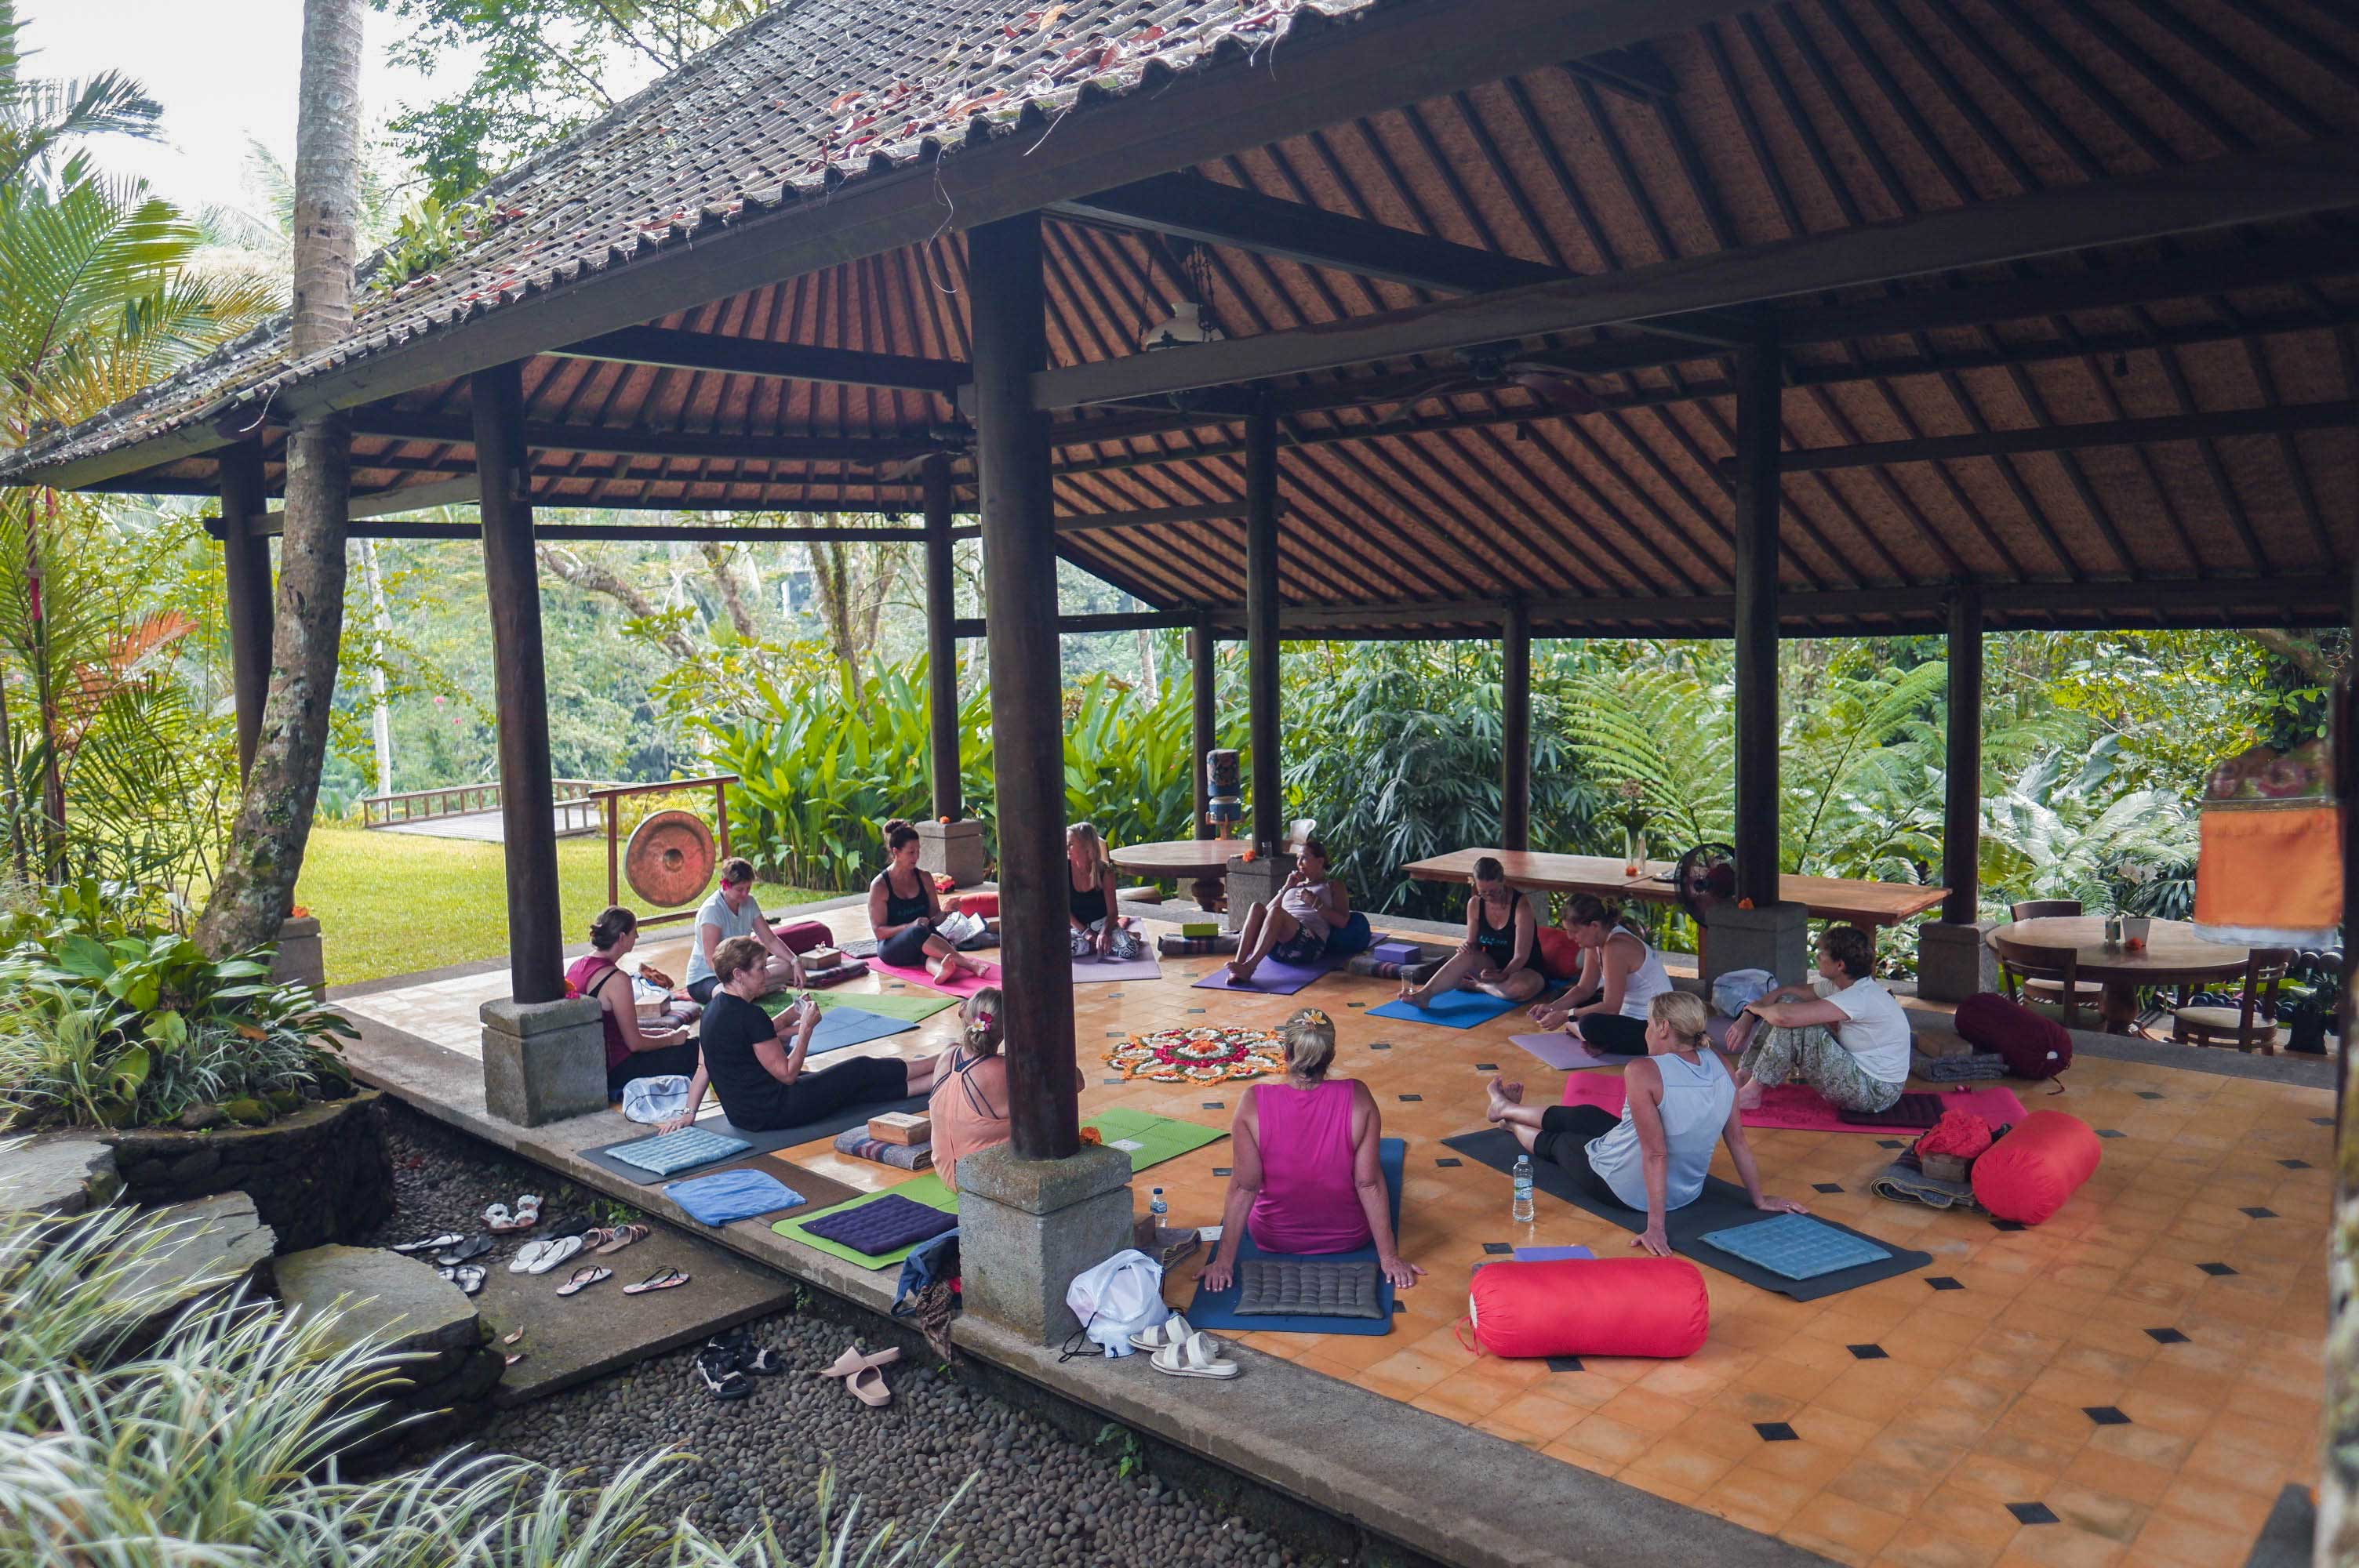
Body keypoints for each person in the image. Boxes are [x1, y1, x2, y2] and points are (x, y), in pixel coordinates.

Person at [1485, 991, 1806, 1257]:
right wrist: (1759, 1199)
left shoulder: (1643, 1071)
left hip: (1622, 1188)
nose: (1646, 1031)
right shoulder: (1720, 1062)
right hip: (1686, 1192)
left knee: (1561, 1143)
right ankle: (1507, 1108)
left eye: (1649, 1024)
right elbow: (1737, 1139)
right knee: (1585, 1116)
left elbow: (1656, 1154)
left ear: (1663, 1027)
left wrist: (1656, 1228)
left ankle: (1509, 1120)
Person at [1199, 1008, 1421, 1292]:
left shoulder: (1253, 1101)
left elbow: (1245, 1187)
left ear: (1286, 1053)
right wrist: (1389, 1258)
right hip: (1349, 1237)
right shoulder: (1359, 1096)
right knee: (1375, 1169)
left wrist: (1223, 1262)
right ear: (1330, 1055)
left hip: (1272, 1238)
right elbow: (1368, 1183)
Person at [660, 936, 951, 1134]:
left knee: (856, 1091)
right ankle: (945, 1060)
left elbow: (705, 1065)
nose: (767, 975)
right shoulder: (750, 1015)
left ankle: (939, 1077)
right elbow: (787, 1074)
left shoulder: (712, 1010)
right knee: (860, 1069)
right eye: (761, 969)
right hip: (777, 1110)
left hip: (744, 1115)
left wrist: (689, 1112)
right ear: (738, 974)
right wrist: (807, 1028)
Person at [1725, 924, 1910, 1115]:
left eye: (1822, 954)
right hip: (1865, 1079)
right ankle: (1744, 1075)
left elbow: (1785, 1017)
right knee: (1789, 1005)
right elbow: (1785, 992)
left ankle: (1752, 1092)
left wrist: (1755, 1009)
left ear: (1840, 965)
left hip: (1875, 1092)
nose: (1817, 958)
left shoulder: (1859, 996)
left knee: (1797, 1025)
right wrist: (1748, 1015)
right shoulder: (1842, 986)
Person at [569, 906, 702, 1098]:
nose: (637, 936)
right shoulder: (616, 979)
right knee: (699, 1049)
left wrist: (660, 1033)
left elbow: (618, 1029)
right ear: (622, 937)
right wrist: (672, 1040)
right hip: (619, 1069)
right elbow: (635, 1043)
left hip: (594, 1063)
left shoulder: (577, 966)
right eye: (634, 931)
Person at [1525, 894, 1674, 1054]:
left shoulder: (1616, 947)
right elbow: (1584, 989)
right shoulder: (1595, 943)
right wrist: (1552, 1008)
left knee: (1589, 1024)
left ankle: (1590, 1037)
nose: (1570, 937)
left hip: (1655, 1027)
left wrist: (1566, 1015)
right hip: (1624, 1013)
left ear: (1594, 926)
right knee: (1559, 997)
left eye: (1574, 931)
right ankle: (1594, 1040)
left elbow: (1611, 1007)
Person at [1398, 856, 1542, 1007]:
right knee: (1465, 955)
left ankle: (1479, 986)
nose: (1489, 896)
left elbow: (1521, 957)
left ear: (1503, 882)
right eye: (1483, 892)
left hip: (1524, 969)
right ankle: (1424, 995)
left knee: (1517, 989)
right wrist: (1467, 946)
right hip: (1491, 966)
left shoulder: (1521, 906)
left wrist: (1503, 975)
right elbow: (1473, 944)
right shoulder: (1475, 903)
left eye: (1494, 891)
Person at [1226, 836, 1372, 984]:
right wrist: (1286, 888)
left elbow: (1343, 922)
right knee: (1256, 907)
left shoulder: (1333, 885)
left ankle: (1250, 967)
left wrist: (1316, 903)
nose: (1299, 863)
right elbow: (1265, 913)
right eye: (1298, 858)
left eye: (1304, 858)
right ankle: (1238, 965)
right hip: (1276, 947)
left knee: (1277, 912)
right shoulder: (1295, 885)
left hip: (1308, 946)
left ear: (1320, 862)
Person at [868, 819, 990, 984]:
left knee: (934, 947)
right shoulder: (880, 885)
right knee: (918, 933)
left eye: (918, 851)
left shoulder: (924, 878)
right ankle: (969, 964)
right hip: (893, 947)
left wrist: (947, 912)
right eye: (911, 852)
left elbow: (934, 919)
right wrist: (909, 926)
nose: (916, 857)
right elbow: (879, 932)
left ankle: (940, 970)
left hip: (925, 939)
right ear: (896, 852)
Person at [682, 857, 805, 1005]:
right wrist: (740, 981)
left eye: (748, 888)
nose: (745, 894)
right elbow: (711, 959)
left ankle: (754, 992)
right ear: (725, 885)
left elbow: (770, 940)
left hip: (743, 971)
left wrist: (795, 961)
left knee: (786, 965)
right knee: (729, 996)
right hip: (709, 977)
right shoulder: (712, 910)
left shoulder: (749, 903)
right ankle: (758, 991)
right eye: (740, 889)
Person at [929, 987, 1010, 1192]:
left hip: (947, 1175)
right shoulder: (1003, 1070)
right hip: (984, 1183)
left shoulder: (948, 1055)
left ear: (966, 1016)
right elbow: (1076, 1083)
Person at [1066, 823, 1143, 961]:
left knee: (1130, 950)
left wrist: (1104, 934)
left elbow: (1113, 913)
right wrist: (1086, 933)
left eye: (1071, 844)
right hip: (1077, 927)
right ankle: (1106, 945)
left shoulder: (1105, 872)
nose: (1067, 848)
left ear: (1087, 847)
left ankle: (1103, 943)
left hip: (1103, 924)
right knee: (1059, 946)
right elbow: (1064, 911)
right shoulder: (1063, 870)